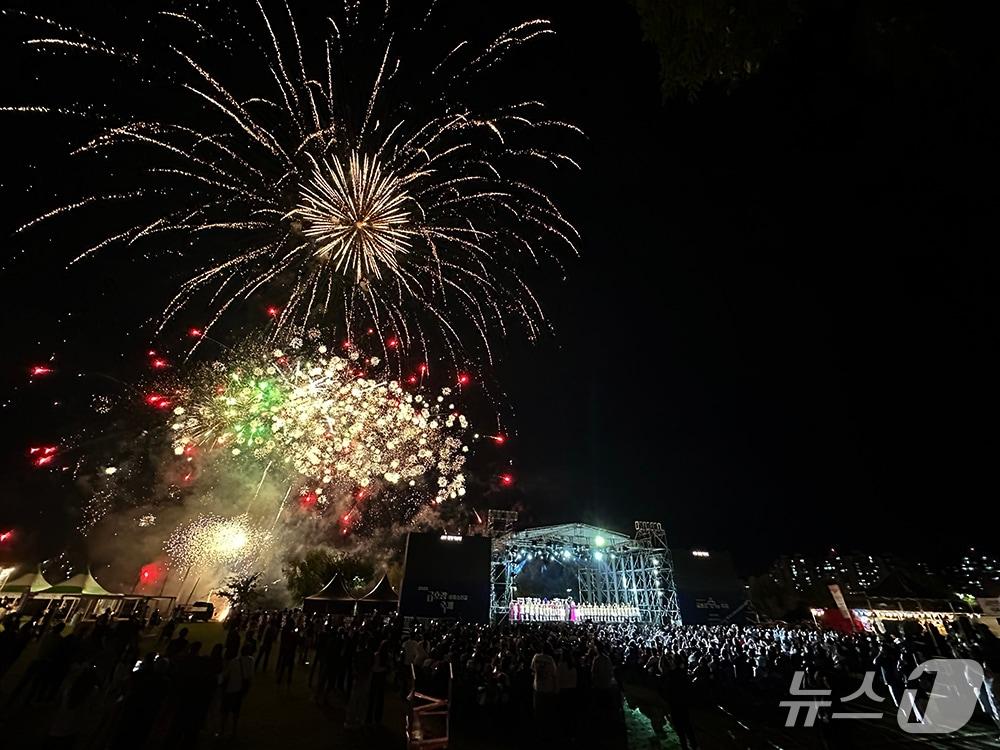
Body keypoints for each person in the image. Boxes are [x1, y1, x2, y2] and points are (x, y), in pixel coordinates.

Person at [219, 643, 255, 738]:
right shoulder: (251, 661)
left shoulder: (234, 662)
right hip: (240, 691)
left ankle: (222, 729)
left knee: (225, 711)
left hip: (230, 689)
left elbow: (225, 675)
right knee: (236, 711)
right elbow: (250, 676)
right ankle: (234, 730)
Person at [530, 643, 558, 734]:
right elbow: (554, 674)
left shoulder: (536, 657)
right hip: (548, 687)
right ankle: (547, 730)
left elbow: (532, 669)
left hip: (537, 687)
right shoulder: (550, 659)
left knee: (538, 710)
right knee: (547, 711)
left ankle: (538, 730)